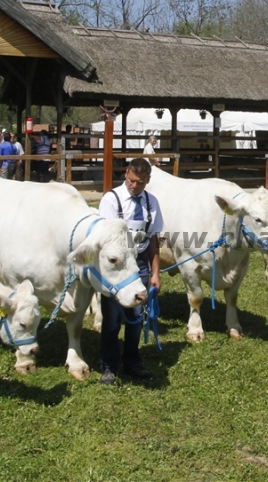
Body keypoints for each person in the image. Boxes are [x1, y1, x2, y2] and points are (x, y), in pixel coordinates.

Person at [96, 157, 164, 384]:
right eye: (132, 180)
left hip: (140, 265)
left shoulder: (151, 202)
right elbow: (105, 240)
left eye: (141, 182)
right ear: (126, 173)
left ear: (148, 181)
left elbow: (154, 240)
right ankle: (109, 365)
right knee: (112, 319)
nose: (135, 186)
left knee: (136, 317)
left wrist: (155, 273)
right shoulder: (111, 200)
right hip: (118, 267)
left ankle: (132, 362)